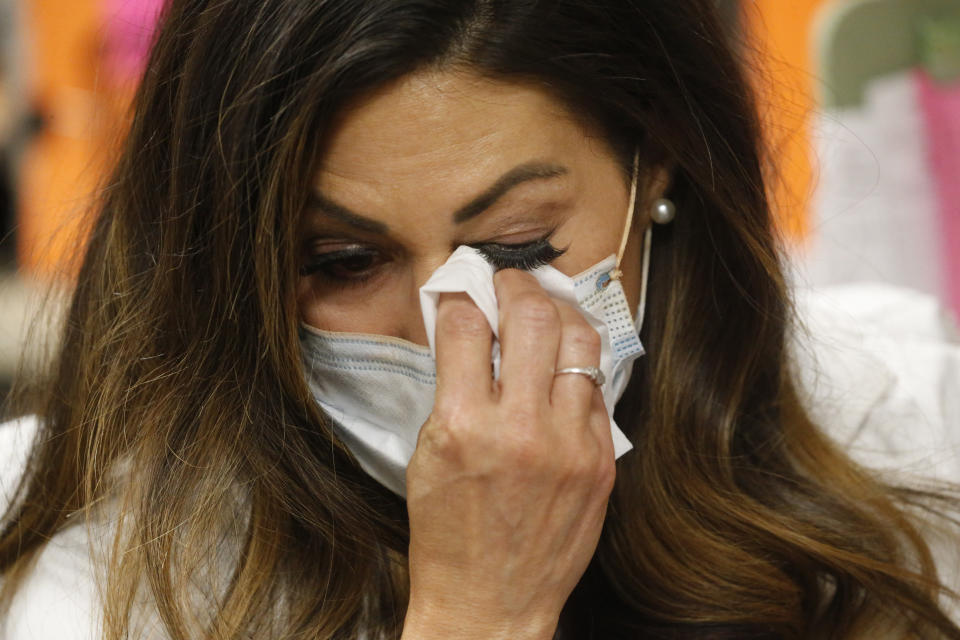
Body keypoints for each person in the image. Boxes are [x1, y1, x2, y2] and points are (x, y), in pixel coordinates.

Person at [1, 0, 959, 638]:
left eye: (517, 245)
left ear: (655, 170)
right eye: (344, 263)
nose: (443, 330)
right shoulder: (120, 583)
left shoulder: (894, 449)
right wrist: (478, 610)